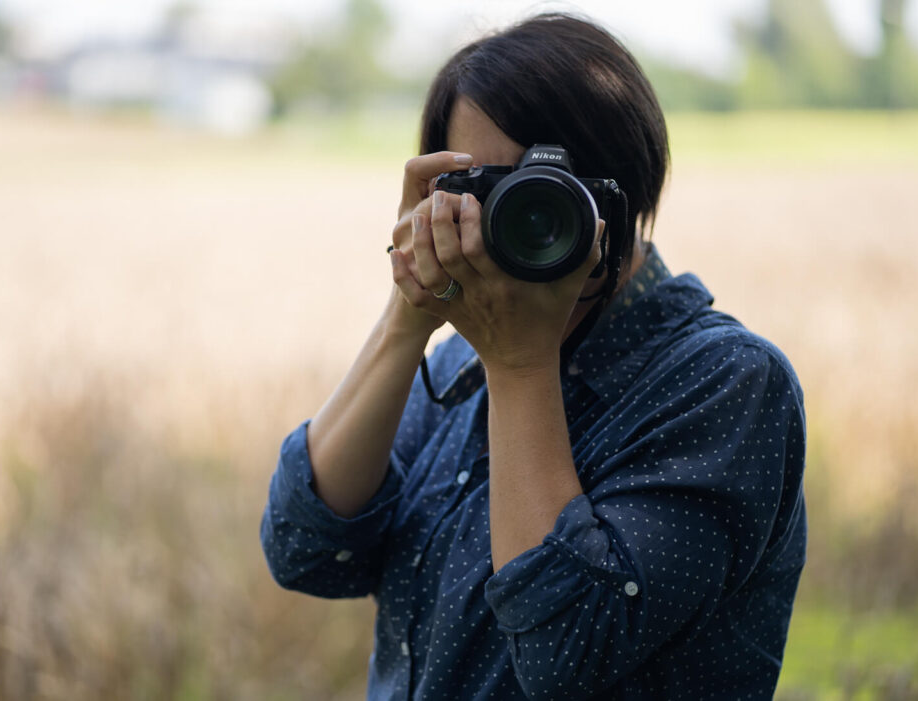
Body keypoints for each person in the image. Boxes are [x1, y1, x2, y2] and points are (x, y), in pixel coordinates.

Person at [261, 13, 806, 700]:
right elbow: (307, 551)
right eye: (488, 191)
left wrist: (520, 364)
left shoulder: (726, 382)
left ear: (622, 192)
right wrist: (410, 312)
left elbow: (562, 650)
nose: (519, 222)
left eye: (546, 190)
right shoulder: (466, 359)